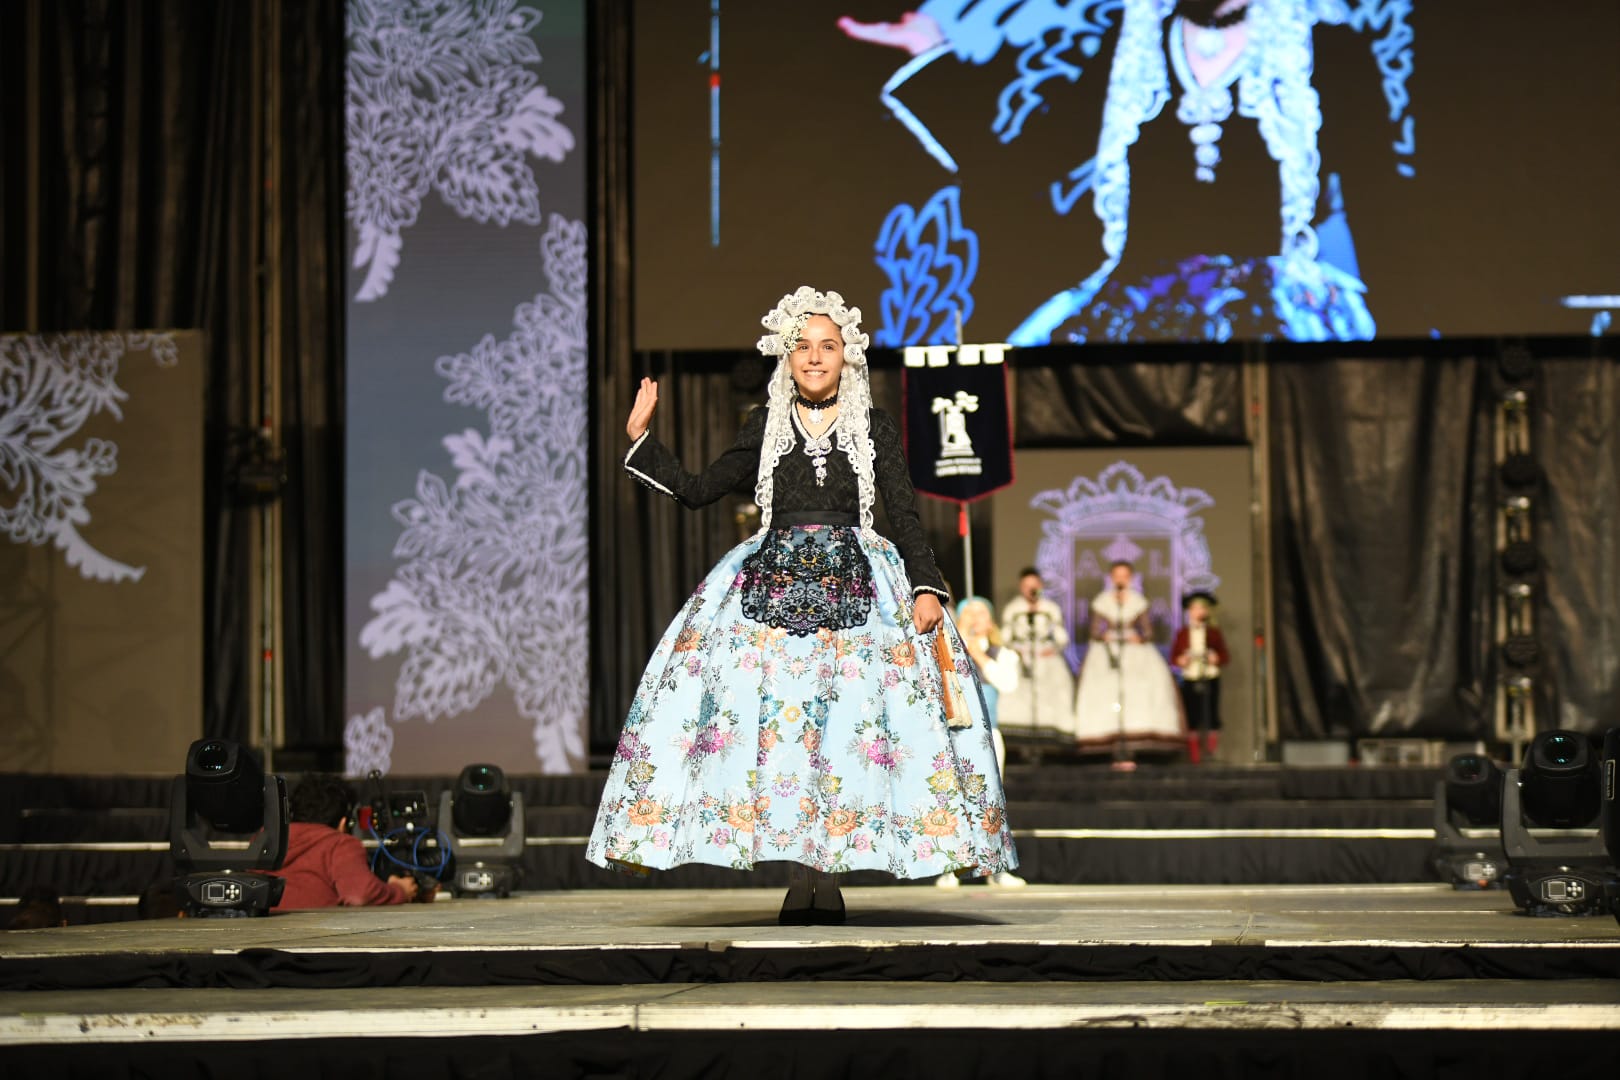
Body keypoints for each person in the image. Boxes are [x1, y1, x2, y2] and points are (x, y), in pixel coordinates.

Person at [588, 286, 1018, 924]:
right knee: (782, 736)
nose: (815, 358)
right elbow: (700, 490)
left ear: (847, 356)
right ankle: (800, 874)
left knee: (844, 734)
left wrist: (927, 586)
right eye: (803, 348)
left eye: (828, 346)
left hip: (861, 593)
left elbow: (901, 513)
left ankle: (826, 876)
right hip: (770, 596)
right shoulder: (765, 427)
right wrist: (641, 440)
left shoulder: (872, 429)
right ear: (785, 358)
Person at [937, 597, 1027, 887]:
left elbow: (1008, 684)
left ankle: (997, 868)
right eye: (969, 613)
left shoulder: (1003, 653)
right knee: (955, 799)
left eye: (982, 613)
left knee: (990, 799)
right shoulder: (947, 650)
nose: (976, 618)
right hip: (957, 733)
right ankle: (952, 867)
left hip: (990, 734)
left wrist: (982, 655)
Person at [1071, 559, 1183, 767]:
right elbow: (1095, 631)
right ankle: (1112, 746)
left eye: (1125, 576)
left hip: (1134, 653)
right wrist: (1106, 633)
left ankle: (1133, 746)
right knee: (1107, 693)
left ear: (1130, 578)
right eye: (1117, 575)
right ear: (1111, 578)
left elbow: (1148, 632)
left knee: (1136, 694)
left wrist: (1138, 637)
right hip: (1107, 652)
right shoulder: (1102, 601)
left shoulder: (1138, 601)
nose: (1121, 579)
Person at [271, 774, 422, 911]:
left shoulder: (267, 839)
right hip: (318, 937)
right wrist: (400, 891)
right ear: (344, 823)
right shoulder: (339, 843)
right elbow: (361, 895)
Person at [998, 568, 1074, 733]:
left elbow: (1062, 638)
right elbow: (1005, 638)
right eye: (1026, 585)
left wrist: (1053, 649)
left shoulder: (1050, 608)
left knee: (1052, 695)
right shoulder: (1013, 608)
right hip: (1022, 659)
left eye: (1034, 585)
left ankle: (1050, 732)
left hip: (1046, 658)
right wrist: (1018, 651)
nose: (1030, 590)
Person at [1172, 591, 1230, 763]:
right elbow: (1174, 657)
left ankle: (1210, 754)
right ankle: (1195, 757)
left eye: (1201, 608)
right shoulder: (1183, 633)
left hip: (1209, 676)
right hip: (1190, 677)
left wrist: (1215, 658)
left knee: (1211, 715)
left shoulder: (1213, 633)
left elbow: (1225, 656)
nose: (1197, 612)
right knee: (1192, 717)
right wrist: (1181, 660)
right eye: (1194, 608)